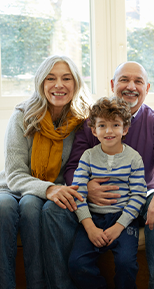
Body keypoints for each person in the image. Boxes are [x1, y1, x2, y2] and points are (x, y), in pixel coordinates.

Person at [41, 61, 154, 289]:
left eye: (138, 81)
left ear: (147, 88)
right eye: (124, 80)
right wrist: (87, 187)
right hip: (95, 203)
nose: (131, 86)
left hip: (140, 196)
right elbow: (72, 167)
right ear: (112, 84)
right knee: (52, 210)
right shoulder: (91, 123)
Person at [0, 55, 92, 289]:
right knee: (3, 208)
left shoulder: (84, 119)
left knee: (31, 206)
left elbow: (119, 121)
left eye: (66, 78)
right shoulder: (23, 115)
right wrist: (48, 188)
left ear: (76, 83)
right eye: (51, 78)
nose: (58, 85)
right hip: (14, 186)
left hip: (58, 189)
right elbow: (14, 174)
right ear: (41, 83)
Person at [68, 97, 146, 288]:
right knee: (76, 263)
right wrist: (90, 227)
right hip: (92, 218)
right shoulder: (88, 156)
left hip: (123, 220)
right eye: (102, 125)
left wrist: (118, 226)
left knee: (126, 263)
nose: (109, 131)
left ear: (125, 129)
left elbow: (138, 195)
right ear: (94, 130)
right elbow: (77, 192)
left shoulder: (134, 158)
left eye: (115, 125)